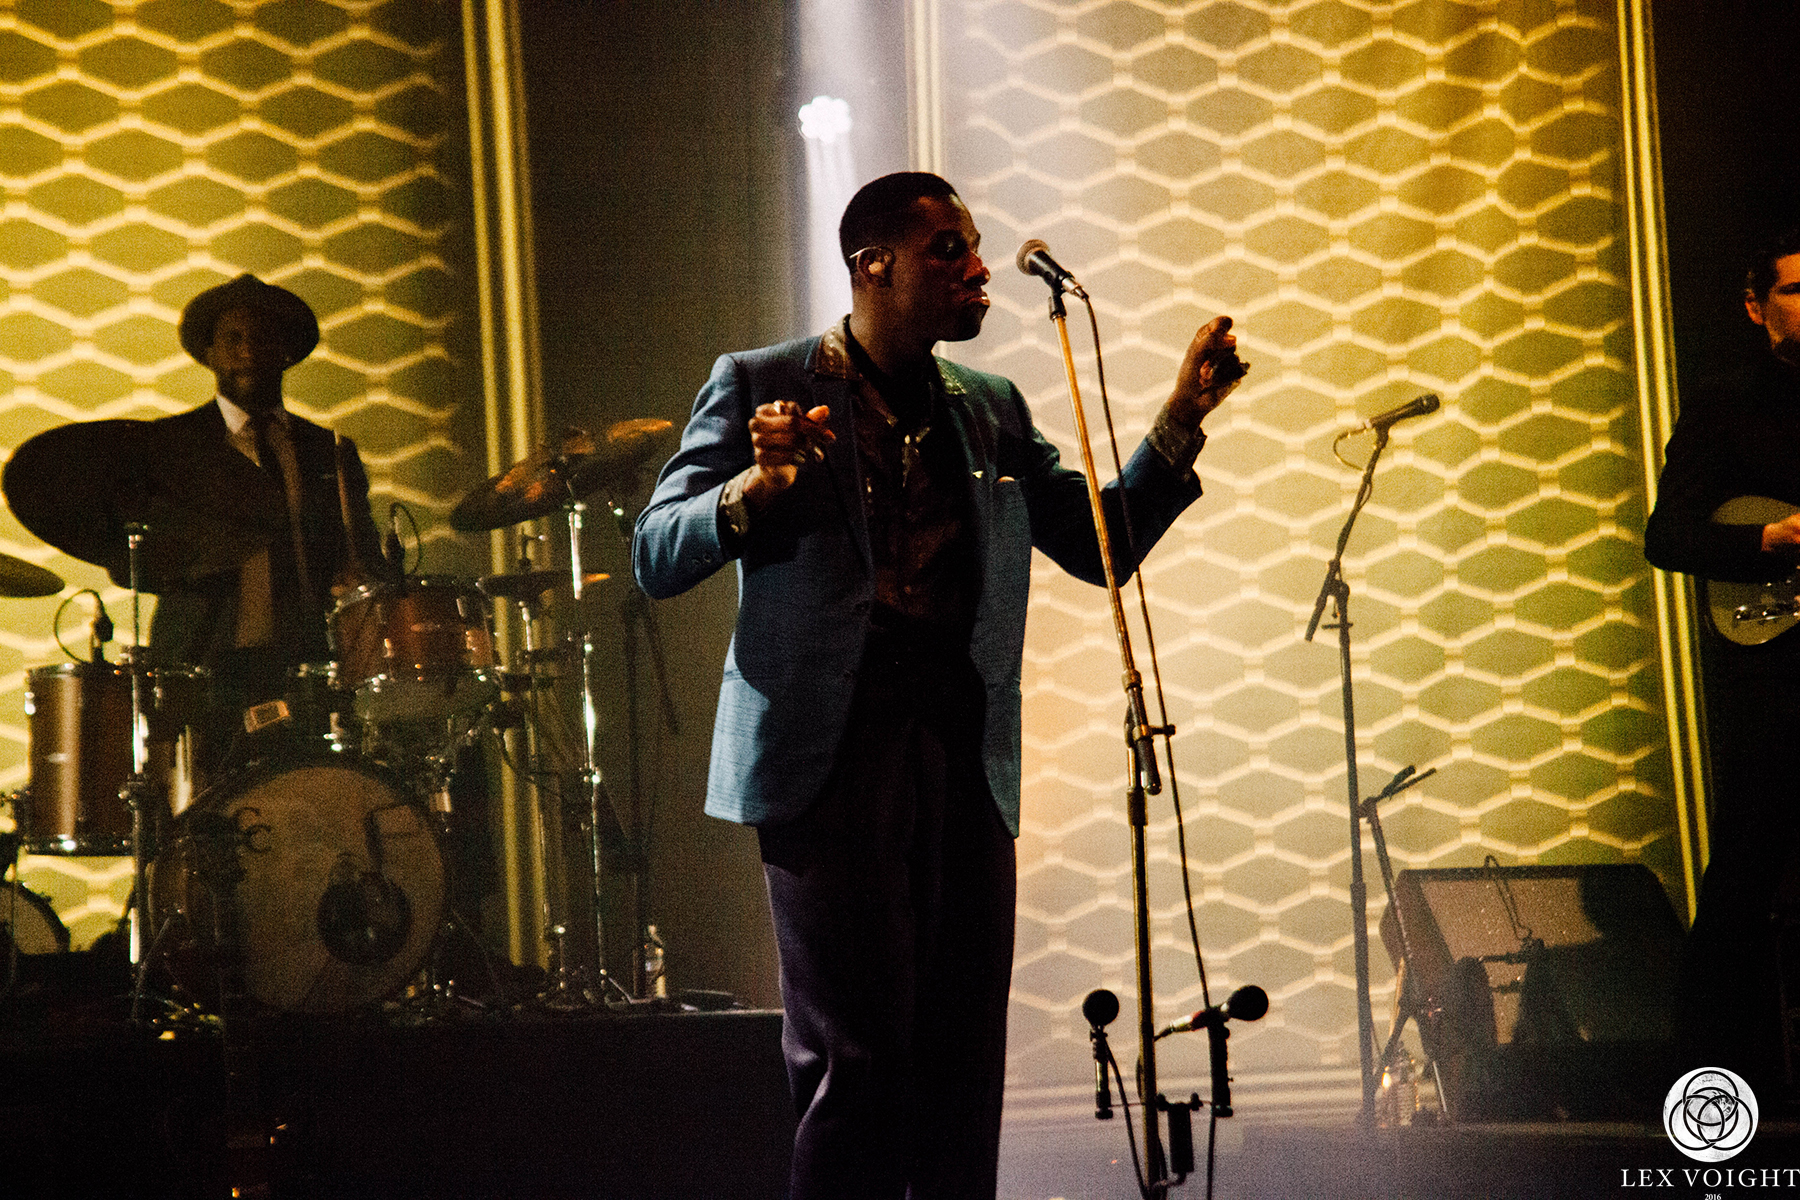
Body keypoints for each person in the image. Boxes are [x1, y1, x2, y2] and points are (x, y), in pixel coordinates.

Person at [633, 172, 1246, 1198]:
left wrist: (1180, 420)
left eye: (974, 247)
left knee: (961, 1067)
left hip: (961, 758)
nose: (978, 270)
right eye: (949, 251)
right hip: (829, 762)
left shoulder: (989, 410)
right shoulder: (760, 380)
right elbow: (656, 550)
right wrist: (755, 490)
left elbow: (1101, 545)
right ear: (875, 266)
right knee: (857, 1060)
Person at [1644, 225, 1800, 1094]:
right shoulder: (1726, 401)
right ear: (1754, 306)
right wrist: (1769, 537)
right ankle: (1704, 1086)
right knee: (1745, 870)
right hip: (1777, 672)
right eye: (1794, 291)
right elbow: (1666, 537)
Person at [139, 273, 385, 774]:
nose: (249, 349)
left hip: (304, 664)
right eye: (233, 338)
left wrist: (360, 579)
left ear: (286, 352)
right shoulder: (170, 446)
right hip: (200, 661)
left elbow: (361, 554)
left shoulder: (328, 451)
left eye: (264, 337)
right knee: (201, 815)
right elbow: (146, 555)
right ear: (210, 353)